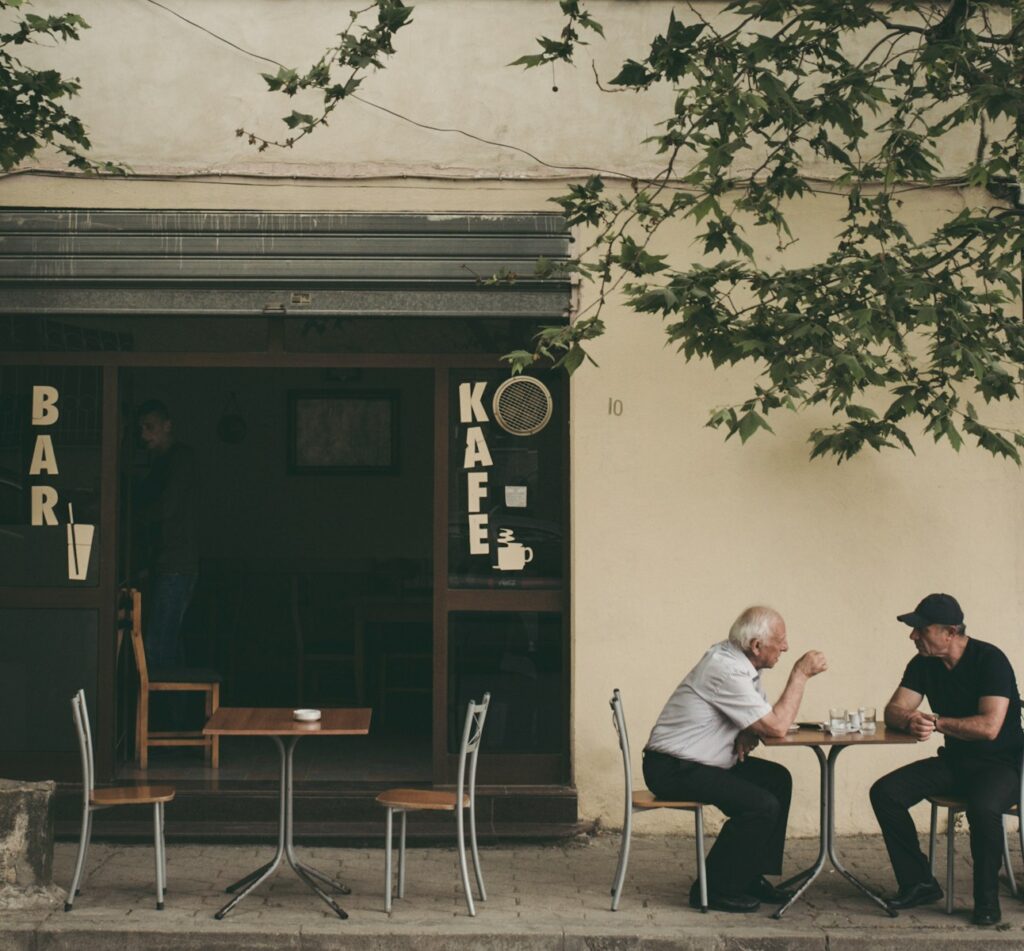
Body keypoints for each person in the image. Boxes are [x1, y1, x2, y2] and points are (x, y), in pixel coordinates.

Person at [642, 605, 828, 912]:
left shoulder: (740, 664)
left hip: (700, 762)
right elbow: (777, 726)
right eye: (780, 640)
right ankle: (714, 889)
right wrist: (800, 674)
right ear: (756, 645)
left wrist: (748, 729)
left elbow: (762, 720)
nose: (785, 647)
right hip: (673, 768)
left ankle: (747, 875)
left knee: (777, 780)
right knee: (760, 805)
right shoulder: (726, 668)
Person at [870, 593, 1023, 926]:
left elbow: (989, 727)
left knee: (983, 808)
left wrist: (937, 722)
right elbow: (894, 709)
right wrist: (909, 719)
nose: (913, 636)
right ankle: (919, 883)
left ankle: (986, 901)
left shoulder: (990, 659)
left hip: (1003, 765)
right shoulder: (923, 663)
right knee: (885, 792)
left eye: (921, 630)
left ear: (950, 632)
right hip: (955, 762)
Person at [137, 399, 199, 673]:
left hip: (175, 565)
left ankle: (167, 715)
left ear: (167, 426)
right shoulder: (162, 464)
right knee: (168, 643)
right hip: (166, 565)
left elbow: (167, 507)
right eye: (141, 428)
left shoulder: (181, 459)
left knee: (159, 645)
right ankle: (177, 713)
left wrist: (133, 515)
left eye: (149, 427)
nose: (144, 435)